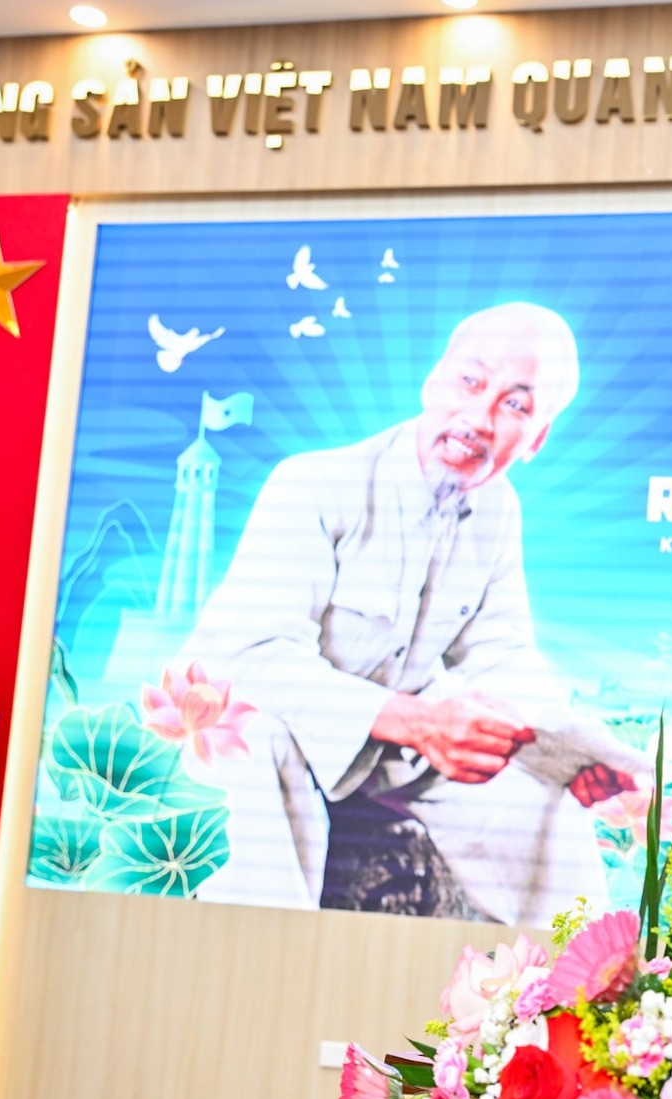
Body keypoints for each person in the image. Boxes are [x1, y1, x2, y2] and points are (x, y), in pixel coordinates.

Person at [181, 302, 632, 923]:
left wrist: (571, 754)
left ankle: (581, 996)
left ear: (538, 438)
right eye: (471, 382)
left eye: (516, 404)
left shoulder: (499, 511)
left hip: (389, 762)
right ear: (433, 380)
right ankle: (263, 970)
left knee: (544, 799)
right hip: (283, 734)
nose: (479, 416)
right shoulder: (313, 483)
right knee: (263, 738)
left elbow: (500, 657)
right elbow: (250, 660)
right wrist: (417, 721)